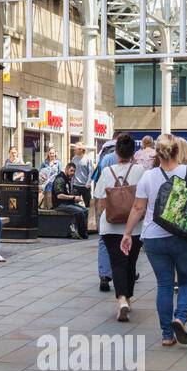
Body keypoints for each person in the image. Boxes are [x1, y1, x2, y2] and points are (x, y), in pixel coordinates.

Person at [121, 133, 187, 346]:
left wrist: (127, 233)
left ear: (157, 154)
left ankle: (167, 335)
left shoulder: (148, 177)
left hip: (154, 238)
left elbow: (138, 208)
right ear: (177, 151)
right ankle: (180, 318)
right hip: (184, 237)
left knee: (164, 285)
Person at [95, 133, 142, 321]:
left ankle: (122, 299)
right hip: (135, 227)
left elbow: (99, 201)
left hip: (111, 227)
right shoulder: (140, 172)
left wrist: (100, 219)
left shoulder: (107, 172)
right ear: (133, 153)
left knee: (117, 262)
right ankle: (128, 299)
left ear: (116, 152)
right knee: (130, 262)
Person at [93, 139, 119, 292]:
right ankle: (126, 272)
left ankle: (104, 275)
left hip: (108, 205)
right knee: (124, 240)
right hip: (125, 208)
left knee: (104, 241)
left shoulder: (105, 160)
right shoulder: (135, 166)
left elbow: (99, 192)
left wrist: (101, 211)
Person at [50, 162, 89, 239]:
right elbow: (59, 196)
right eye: (71, 171)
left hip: (67, 203)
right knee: (79, 211)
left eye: (74, 171)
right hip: (60, 204)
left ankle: (78, 230)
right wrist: (73, 198)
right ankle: (80, 233)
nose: (73, 173)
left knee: (85, 210)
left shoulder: (68, 179)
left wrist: (75, 198)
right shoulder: (60, 179)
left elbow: (67, 193)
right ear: (66, 169)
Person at [70, 144, 94, 208]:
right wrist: (71, 183)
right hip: (76, 185)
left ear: (81, 150)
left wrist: (89, 182)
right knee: (72, 203)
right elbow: (72, 171)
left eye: (75, 149)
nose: (74, 151)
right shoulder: (74, 159)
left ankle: (88, 217)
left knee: (88, 205)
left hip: (85, 186)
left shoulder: (88, 159)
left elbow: (91, 172)